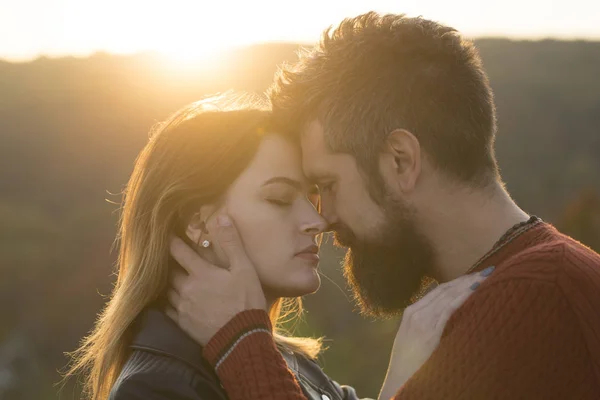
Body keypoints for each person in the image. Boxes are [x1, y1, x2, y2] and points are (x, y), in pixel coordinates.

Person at [167, 12, 600, 400]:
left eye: (327, 184)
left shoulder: (531, 304)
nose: (323, 216)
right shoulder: (532, 282)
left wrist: (242, 346)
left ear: (400, 160)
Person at [62, 93, 488, 400]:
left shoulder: (287, 361)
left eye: (312, 196)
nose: (316, 221)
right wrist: (405, 373)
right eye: (280, 199)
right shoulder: (156, 387)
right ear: (197, 220)